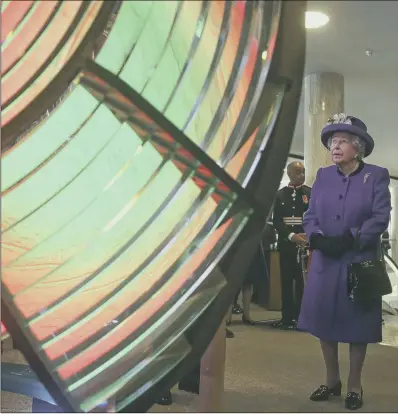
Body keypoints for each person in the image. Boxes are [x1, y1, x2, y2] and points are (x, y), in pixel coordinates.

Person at [297, 113, 391, 410]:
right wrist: (318, 238)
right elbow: (310, 216)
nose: (334, 147)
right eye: (332, 142)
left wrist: (352, 237)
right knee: (325, 323)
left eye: (341, 142)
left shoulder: (375, 175)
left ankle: (354, 385)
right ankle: (331, 379)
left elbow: (380, 218)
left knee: (356, 326)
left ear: (357, 146)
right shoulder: (323, 176)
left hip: (357, 261)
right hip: (326, 261)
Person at [272, 162, 311, 329]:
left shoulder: (310, 193)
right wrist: (291, 236)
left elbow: (314, 217)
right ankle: (287, 317)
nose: (301, 174)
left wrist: (306, 236)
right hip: (287, 244)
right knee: (286, 281)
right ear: (289, 173)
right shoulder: (280, 195)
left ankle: (301, 318)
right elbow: (277, 221)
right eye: (298, 172)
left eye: (303, 171)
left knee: (303, 282)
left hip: (305, 244)